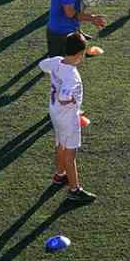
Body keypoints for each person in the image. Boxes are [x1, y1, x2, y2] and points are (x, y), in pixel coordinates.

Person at [38, 32, 97, 202]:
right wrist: (72, 102)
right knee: (70, 154)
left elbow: (42, 65)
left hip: (55, 113)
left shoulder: (57, 61)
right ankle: (74, 189)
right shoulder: (73, 76)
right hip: (68, 119)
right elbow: (64, 97)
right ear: (80, 53)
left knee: (60, 143)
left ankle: (59, 175)